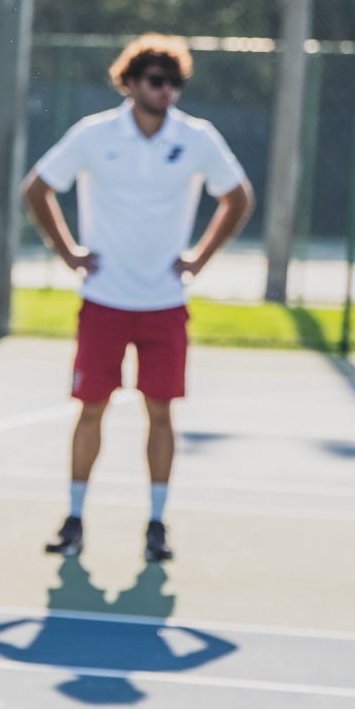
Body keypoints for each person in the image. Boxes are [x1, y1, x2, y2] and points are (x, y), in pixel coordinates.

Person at [23, 33, 254, 564]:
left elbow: (238, 197)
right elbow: (37, 188)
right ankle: (75, 518)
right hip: (104, 300)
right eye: (156, 80)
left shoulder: (197, 138)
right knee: (91, 409)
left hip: (165, 304)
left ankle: (156, 523)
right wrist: (69, 253)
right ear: (129, 82)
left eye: (175, 82)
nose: (167, 91)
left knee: (161, 412)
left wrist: (199, 258)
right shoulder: (93, 134)